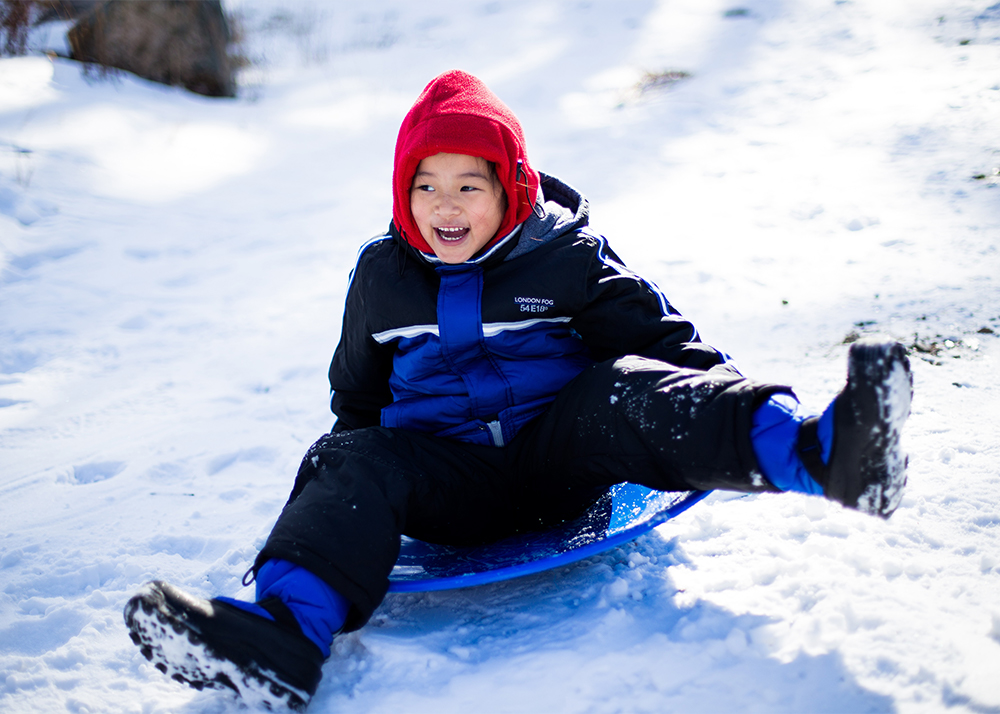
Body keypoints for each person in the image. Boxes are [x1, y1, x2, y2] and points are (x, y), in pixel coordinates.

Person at [124, 70, 912, 710]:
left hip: (559, 462)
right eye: (425, 186)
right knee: (350, 454)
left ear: (512, 186)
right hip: (448, 483)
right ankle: (283, 636)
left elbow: (666, 347)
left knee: (622, 389)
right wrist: (355, 494)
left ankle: (824, 455)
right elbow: (355, 398)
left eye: (470, 185)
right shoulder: (382, 278)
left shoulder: (566, 257)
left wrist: (714, 411)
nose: (445, 205)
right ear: (403, 194)